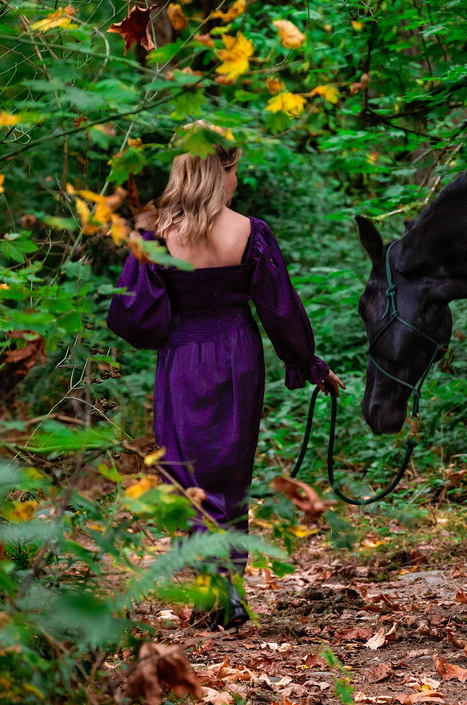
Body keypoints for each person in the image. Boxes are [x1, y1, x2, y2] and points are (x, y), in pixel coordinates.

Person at [107, 132, 343, 631]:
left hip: (181, 358)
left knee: (186, 475)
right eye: (235, 171)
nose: (238, 180)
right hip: (237, 354)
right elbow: (280, 310)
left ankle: (210, 588)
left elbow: (131, 313)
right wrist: (309, 364)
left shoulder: (155, 233)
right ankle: (227, 588)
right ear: (220, 173)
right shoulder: (249, 232)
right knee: (229, 474)